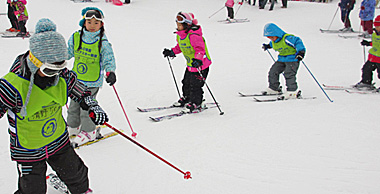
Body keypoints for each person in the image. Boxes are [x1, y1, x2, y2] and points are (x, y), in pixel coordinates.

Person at [0, 18, 108, 194]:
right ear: (35, 61)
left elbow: (81, 92)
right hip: (29, 150)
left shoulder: (63, 76)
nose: (56, 75)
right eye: (50, 70)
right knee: (32, 190)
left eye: (60, 68)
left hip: (58, 140)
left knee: (78, 175)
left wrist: (92, 105)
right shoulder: (12, 85)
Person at [66, 7, 117, 147]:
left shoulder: (102, 42)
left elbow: (108, 58)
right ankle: (73, 127)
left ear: (101, 24)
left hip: (92, 81)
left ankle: (89, 131)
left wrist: (110, 72)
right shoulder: (76, 37)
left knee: (87, 106)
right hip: (76, 80)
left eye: (96, 23)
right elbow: (68, 52)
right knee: (73, 106)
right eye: (89, 22)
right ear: (84, 22)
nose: (93, 26)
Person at [162, 12, 212, 113]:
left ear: (187, 25)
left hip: (201, 66)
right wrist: (172, 52)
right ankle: (187, 97)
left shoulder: (194, 35)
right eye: (177, 25)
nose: (178, 27)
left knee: (196, 85)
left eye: (180, 25)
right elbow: (180, 47)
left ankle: (196, 102)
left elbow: (200, 49)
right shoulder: (180, 36)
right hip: (191, 65)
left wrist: (198, 59)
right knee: (186, 82)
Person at [261, 23, 306, 99]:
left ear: (277, 34)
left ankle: (292, 91)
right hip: (281, 59)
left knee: (289, 74)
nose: (271, 39)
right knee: (273, 71)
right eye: (269, 38)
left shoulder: (287, 38)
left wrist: (301, 52)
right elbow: (272, 44)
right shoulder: (274, 42)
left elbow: (297, 41)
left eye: (272, 37)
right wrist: (267, 46)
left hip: (293, 59)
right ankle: (274, 88)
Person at [354, 16, 380, 90]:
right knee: (366, 69)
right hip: (373, 57)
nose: (377, 28)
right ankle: (366, 82)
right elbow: (376, 43)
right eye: (376, 26)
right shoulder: (375, 34)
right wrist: (368, 43)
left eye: (379, 26)